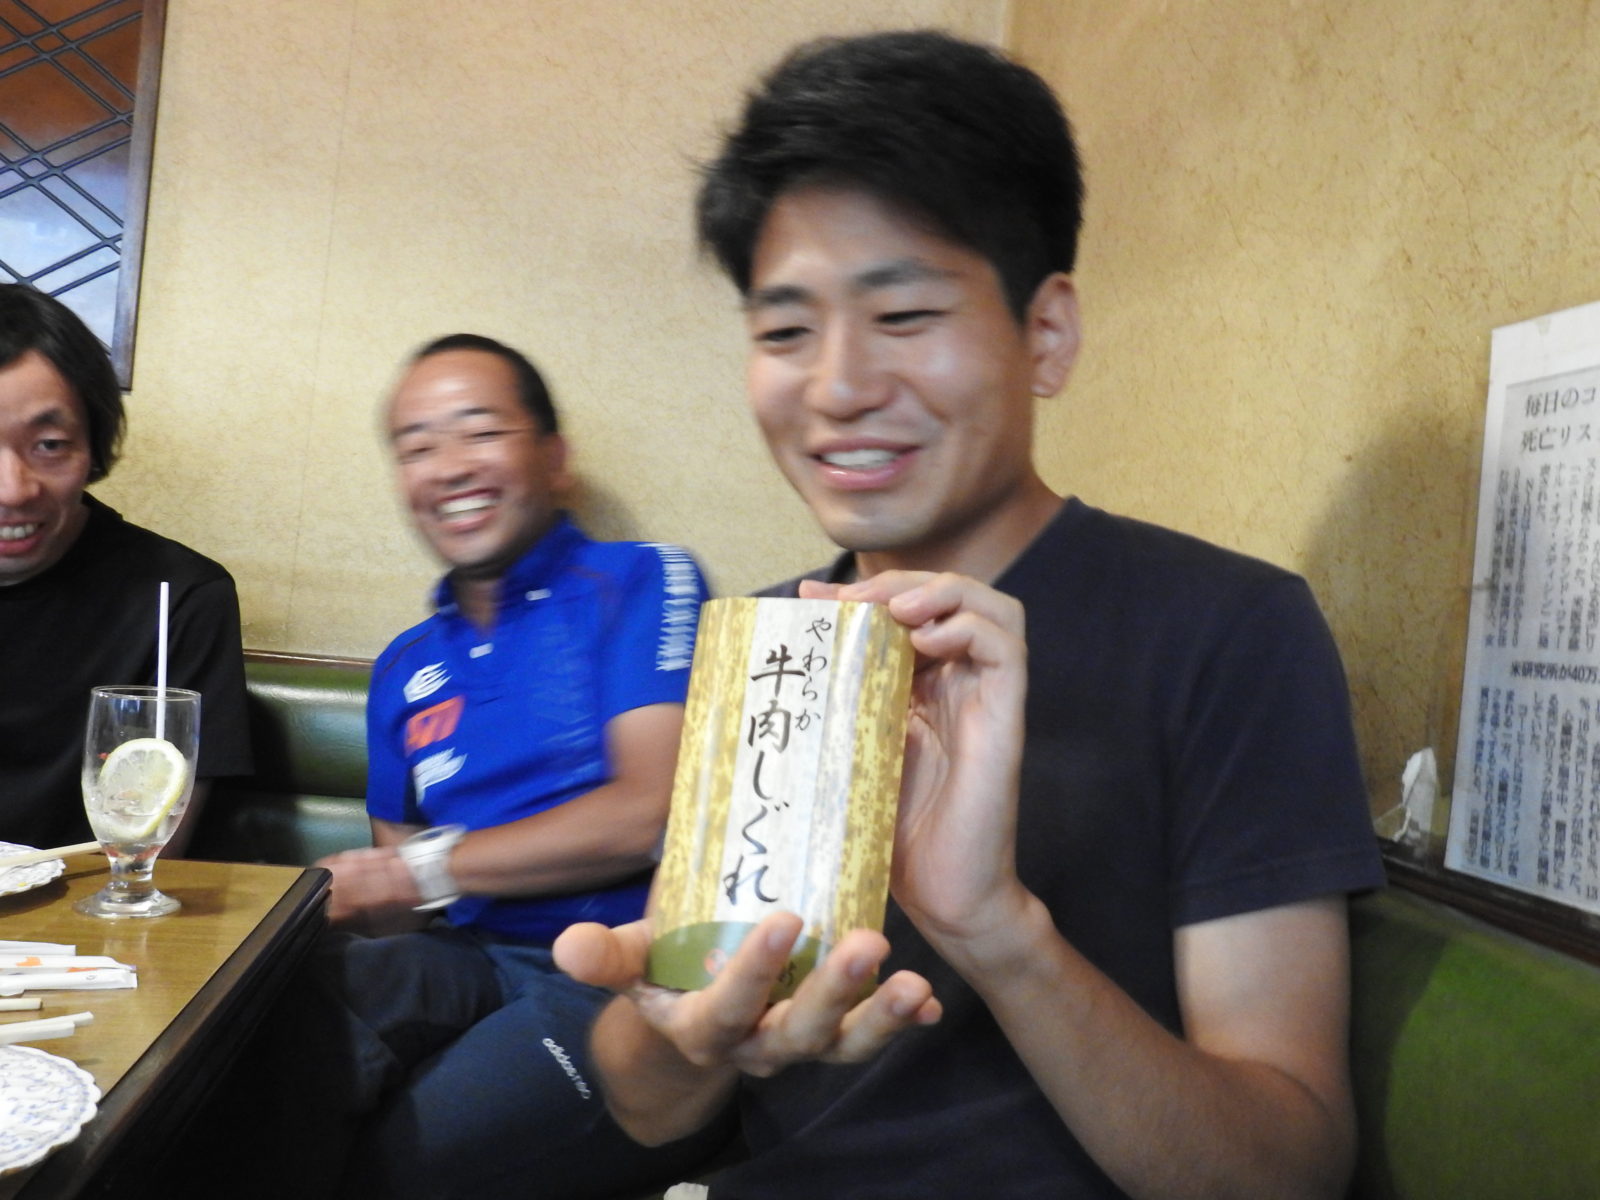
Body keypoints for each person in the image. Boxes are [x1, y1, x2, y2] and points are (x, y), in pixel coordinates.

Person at [554, 30, 1386, 1200]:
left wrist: (999, 933)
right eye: (785, 331)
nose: (838, 387)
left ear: (1045, 335)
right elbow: (647, 1112)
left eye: (903, 314)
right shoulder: (767, 646)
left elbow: (1283, 1174)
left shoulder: (1226, 630)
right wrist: (686, 1036)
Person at [240, 334, 720, 1199]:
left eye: (481, 431)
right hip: (465, 957)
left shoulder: (642, 581)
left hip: (619, 978)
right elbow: (402, 899)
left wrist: (417, 870)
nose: (450, 466)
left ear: (555, 458)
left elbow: (648, 812)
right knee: (244, 1045)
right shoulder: (405, 666)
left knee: (394, 1167)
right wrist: (338, 901)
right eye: (417, 446)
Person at [0, 283, 250, 852]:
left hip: (85, 905)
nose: (13, 489)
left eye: (49, 444)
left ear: (93, 446)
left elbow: (155, 851)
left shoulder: (178, 597)